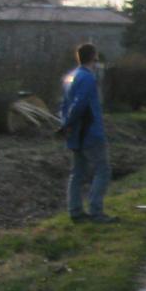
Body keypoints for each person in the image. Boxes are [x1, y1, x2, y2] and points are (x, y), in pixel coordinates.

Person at [60, 42, 113, 223]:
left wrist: (65, 124)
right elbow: (79, 104)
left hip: (75, 133)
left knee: (77, 172)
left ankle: (75, 211)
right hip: (89, 131)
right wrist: (69, 121)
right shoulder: (88, 78)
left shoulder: (70, 77)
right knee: (102, 170)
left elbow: (64, 104)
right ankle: (96, 211)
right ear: (94, 57)